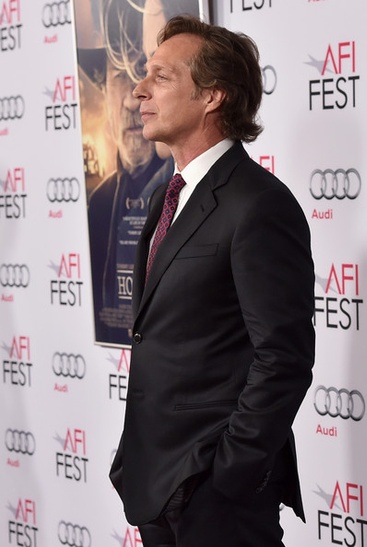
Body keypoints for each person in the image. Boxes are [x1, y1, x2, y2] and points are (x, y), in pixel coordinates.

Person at [110, 15, 315, 547]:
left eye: (161, 76)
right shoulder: (165, 199)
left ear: (212, 95)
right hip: (153, 480)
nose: (139, 90)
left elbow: (284, 358)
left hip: (215, 495)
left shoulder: (259, 204)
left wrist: (227, 475)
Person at [76, 0, 198, 346]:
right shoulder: (99, 204)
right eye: (120, 77)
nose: (134, 99)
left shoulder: (193, 195)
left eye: (155, 77)